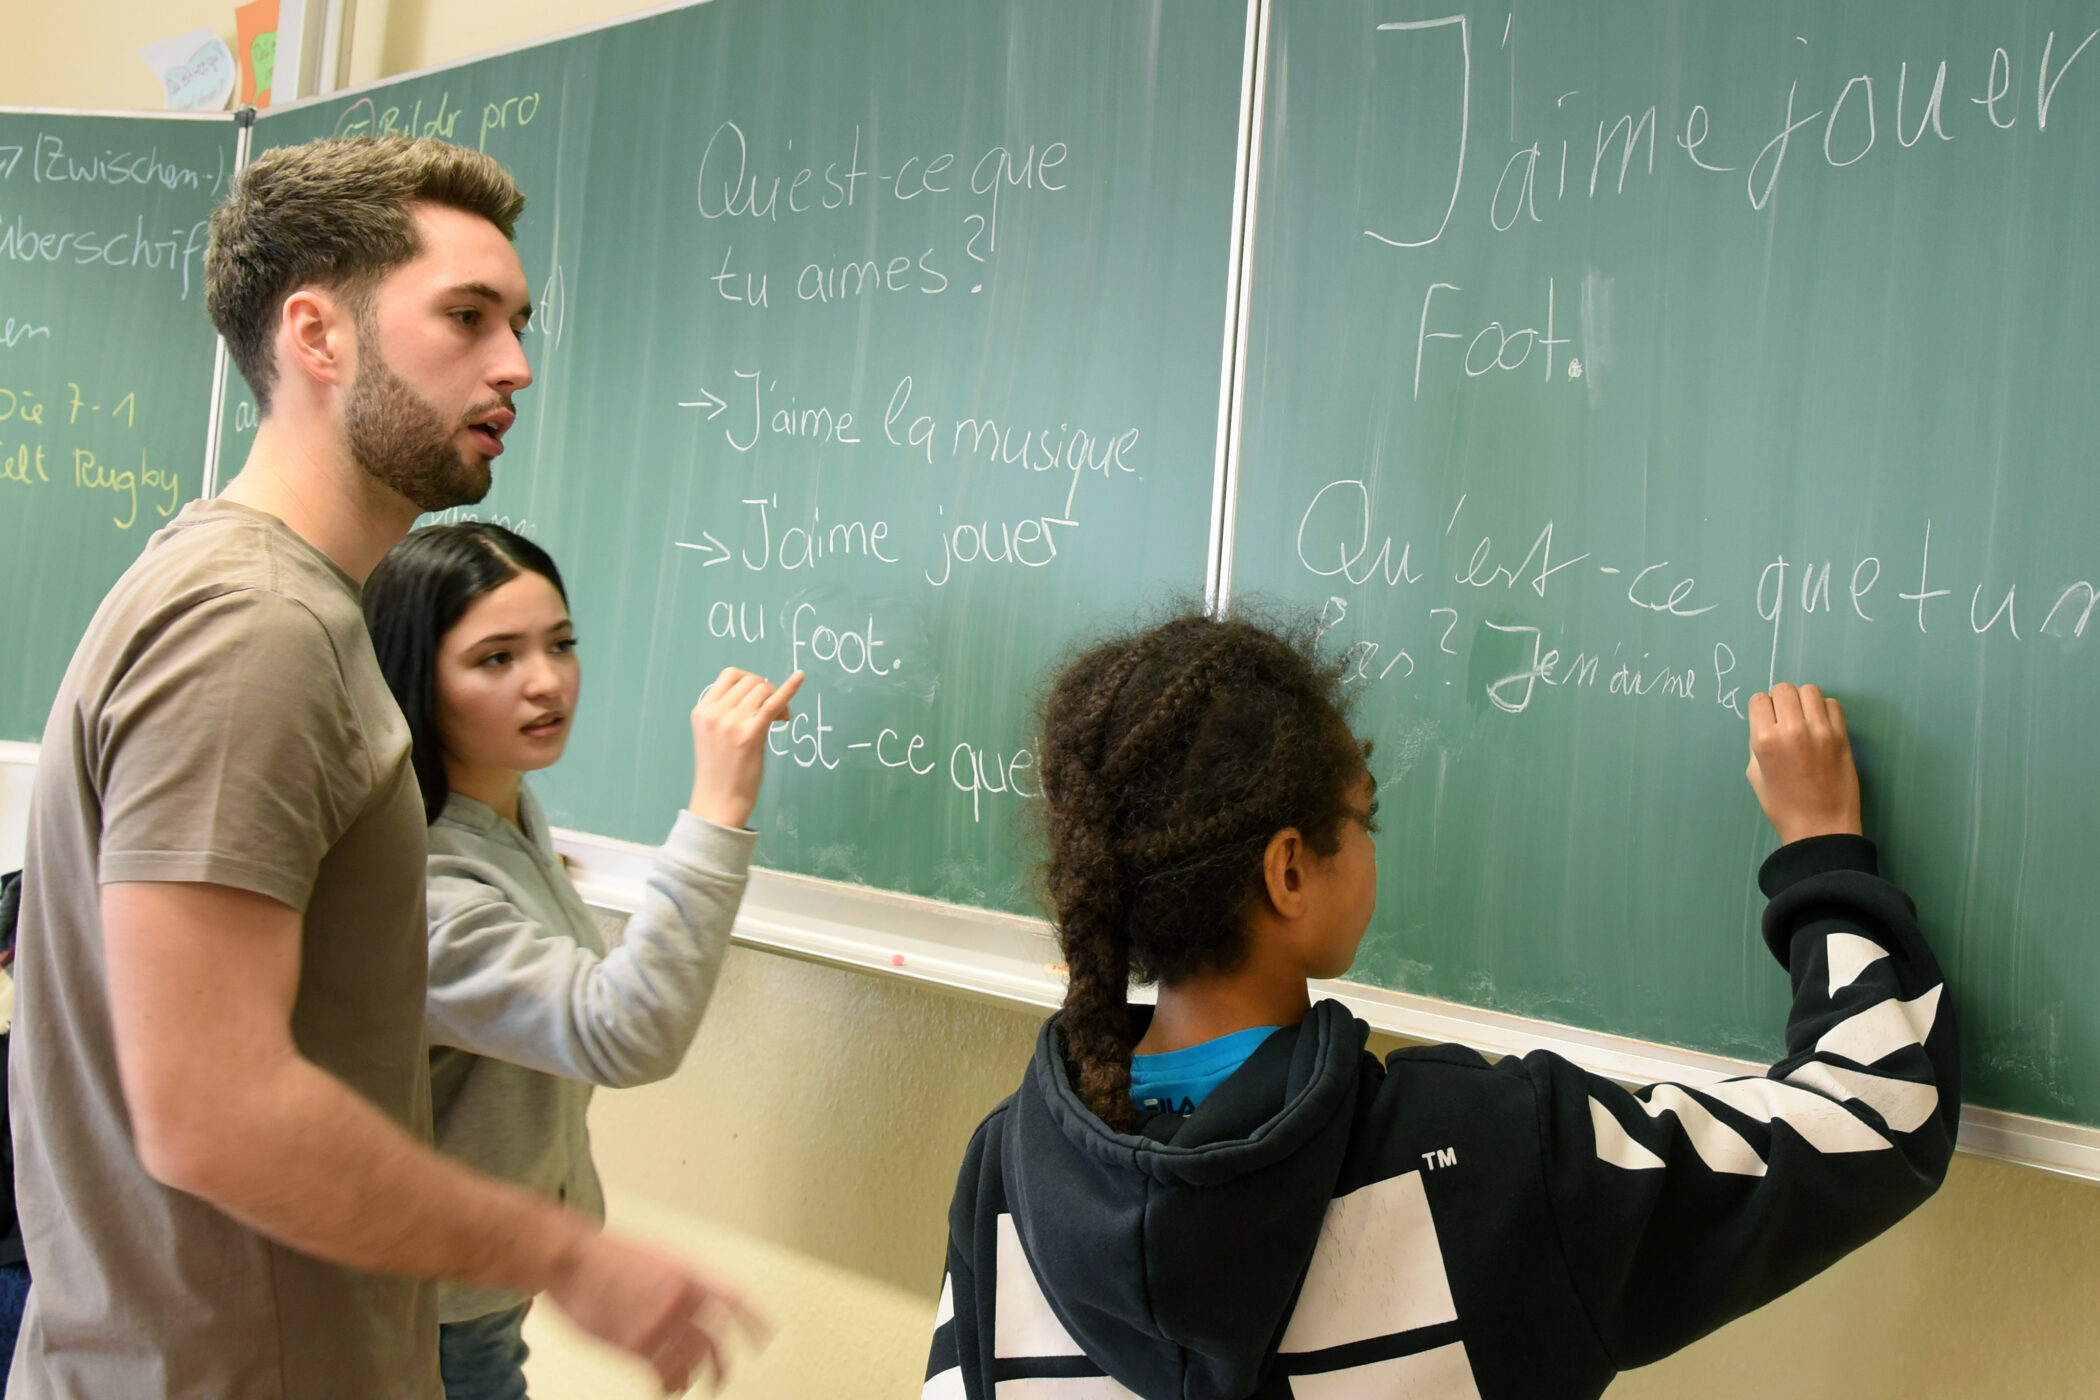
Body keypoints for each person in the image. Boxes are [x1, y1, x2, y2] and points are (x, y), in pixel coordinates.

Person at [8, 135, 756, 1399]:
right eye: (465, 317)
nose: (514, 364)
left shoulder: (265, 600)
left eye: (518, 321)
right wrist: (566, 1252)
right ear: (317, 335)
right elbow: (212, 1104)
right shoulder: (255, 629)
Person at [923, 612, 1958, 1400]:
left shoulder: (1009, 1176)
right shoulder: (1486, 1155)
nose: (1373, 843)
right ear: (1289, 871)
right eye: (1363, 815)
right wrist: (1823, 850)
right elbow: (1875, 1113)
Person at [360, 522, 801, 1399]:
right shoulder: (419, 877)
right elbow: (623, 1031)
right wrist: (718, 806)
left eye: (560, 644)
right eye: (495, 658)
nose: (547, 681)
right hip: (422, 1319)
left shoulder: (508, 819)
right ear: (417, 675)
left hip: (482, 1298)